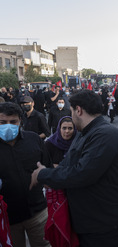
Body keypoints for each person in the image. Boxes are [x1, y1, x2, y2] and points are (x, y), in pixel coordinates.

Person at [30, 90, 118, 247]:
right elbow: (68, 164)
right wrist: (51, 175)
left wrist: (44, 174)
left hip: (101, 226)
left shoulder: (106, 134)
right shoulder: (84, 134)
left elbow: (82, 173)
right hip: (86, 222)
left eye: (71, 111)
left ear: (79, 110)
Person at [0, 102, 51, 247]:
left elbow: (47, 167)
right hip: (8, 218)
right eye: (2, 122)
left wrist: (45, 175)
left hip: (38, 213)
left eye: (13, 122)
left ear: (20, 121)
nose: (8, 126)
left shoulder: (34, 139)